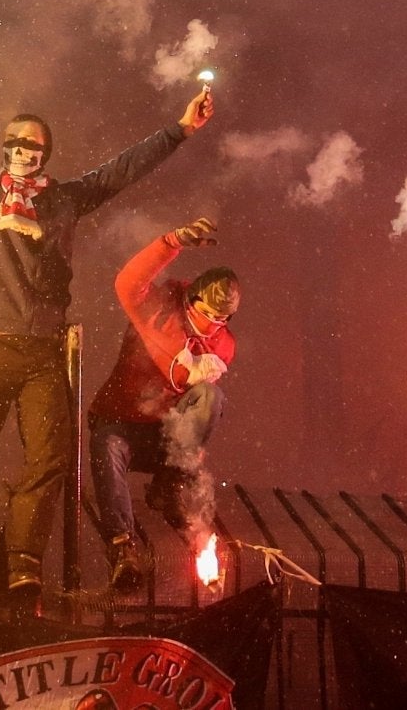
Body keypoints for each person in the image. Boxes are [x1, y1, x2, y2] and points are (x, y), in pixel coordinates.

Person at [0, 45, 216, 597]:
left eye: (34, 146)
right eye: (15, 143)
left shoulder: (64, 201)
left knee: (47, 462)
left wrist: (179, 130)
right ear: (4, 149)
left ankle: (23, 562)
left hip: (42, 349)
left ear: (46, 156)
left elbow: (120, 171)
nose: (23, 152)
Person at [86, 218, 238, 596]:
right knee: (107, 446)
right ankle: (123, 546)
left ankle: (171, 483)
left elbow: (193, 398)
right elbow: (127, 282)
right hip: (121, 421)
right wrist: (172, 242)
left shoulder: (222, 345)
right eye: (207, 314)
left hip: (164, 436)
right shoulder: (157, 308)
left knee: (210, 398)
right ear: (191, 301)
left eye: (222, 319)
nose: (212, 325)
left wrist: (195, 375)